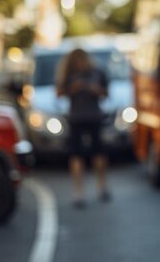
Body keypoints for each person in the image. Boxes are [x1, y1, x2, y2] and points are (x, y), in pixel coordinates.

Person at [56, 48, 110, 208]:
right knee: (76, 155)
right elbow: (59, 93)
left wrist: (95, 90)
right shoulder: (68, 75)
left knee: (99, 152)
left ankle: (102, 186)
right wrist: (73, 88)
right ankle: (78, 192)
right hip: (76, 118)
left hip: (94, 117)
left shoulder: (97, 73)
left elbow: (106, 93)